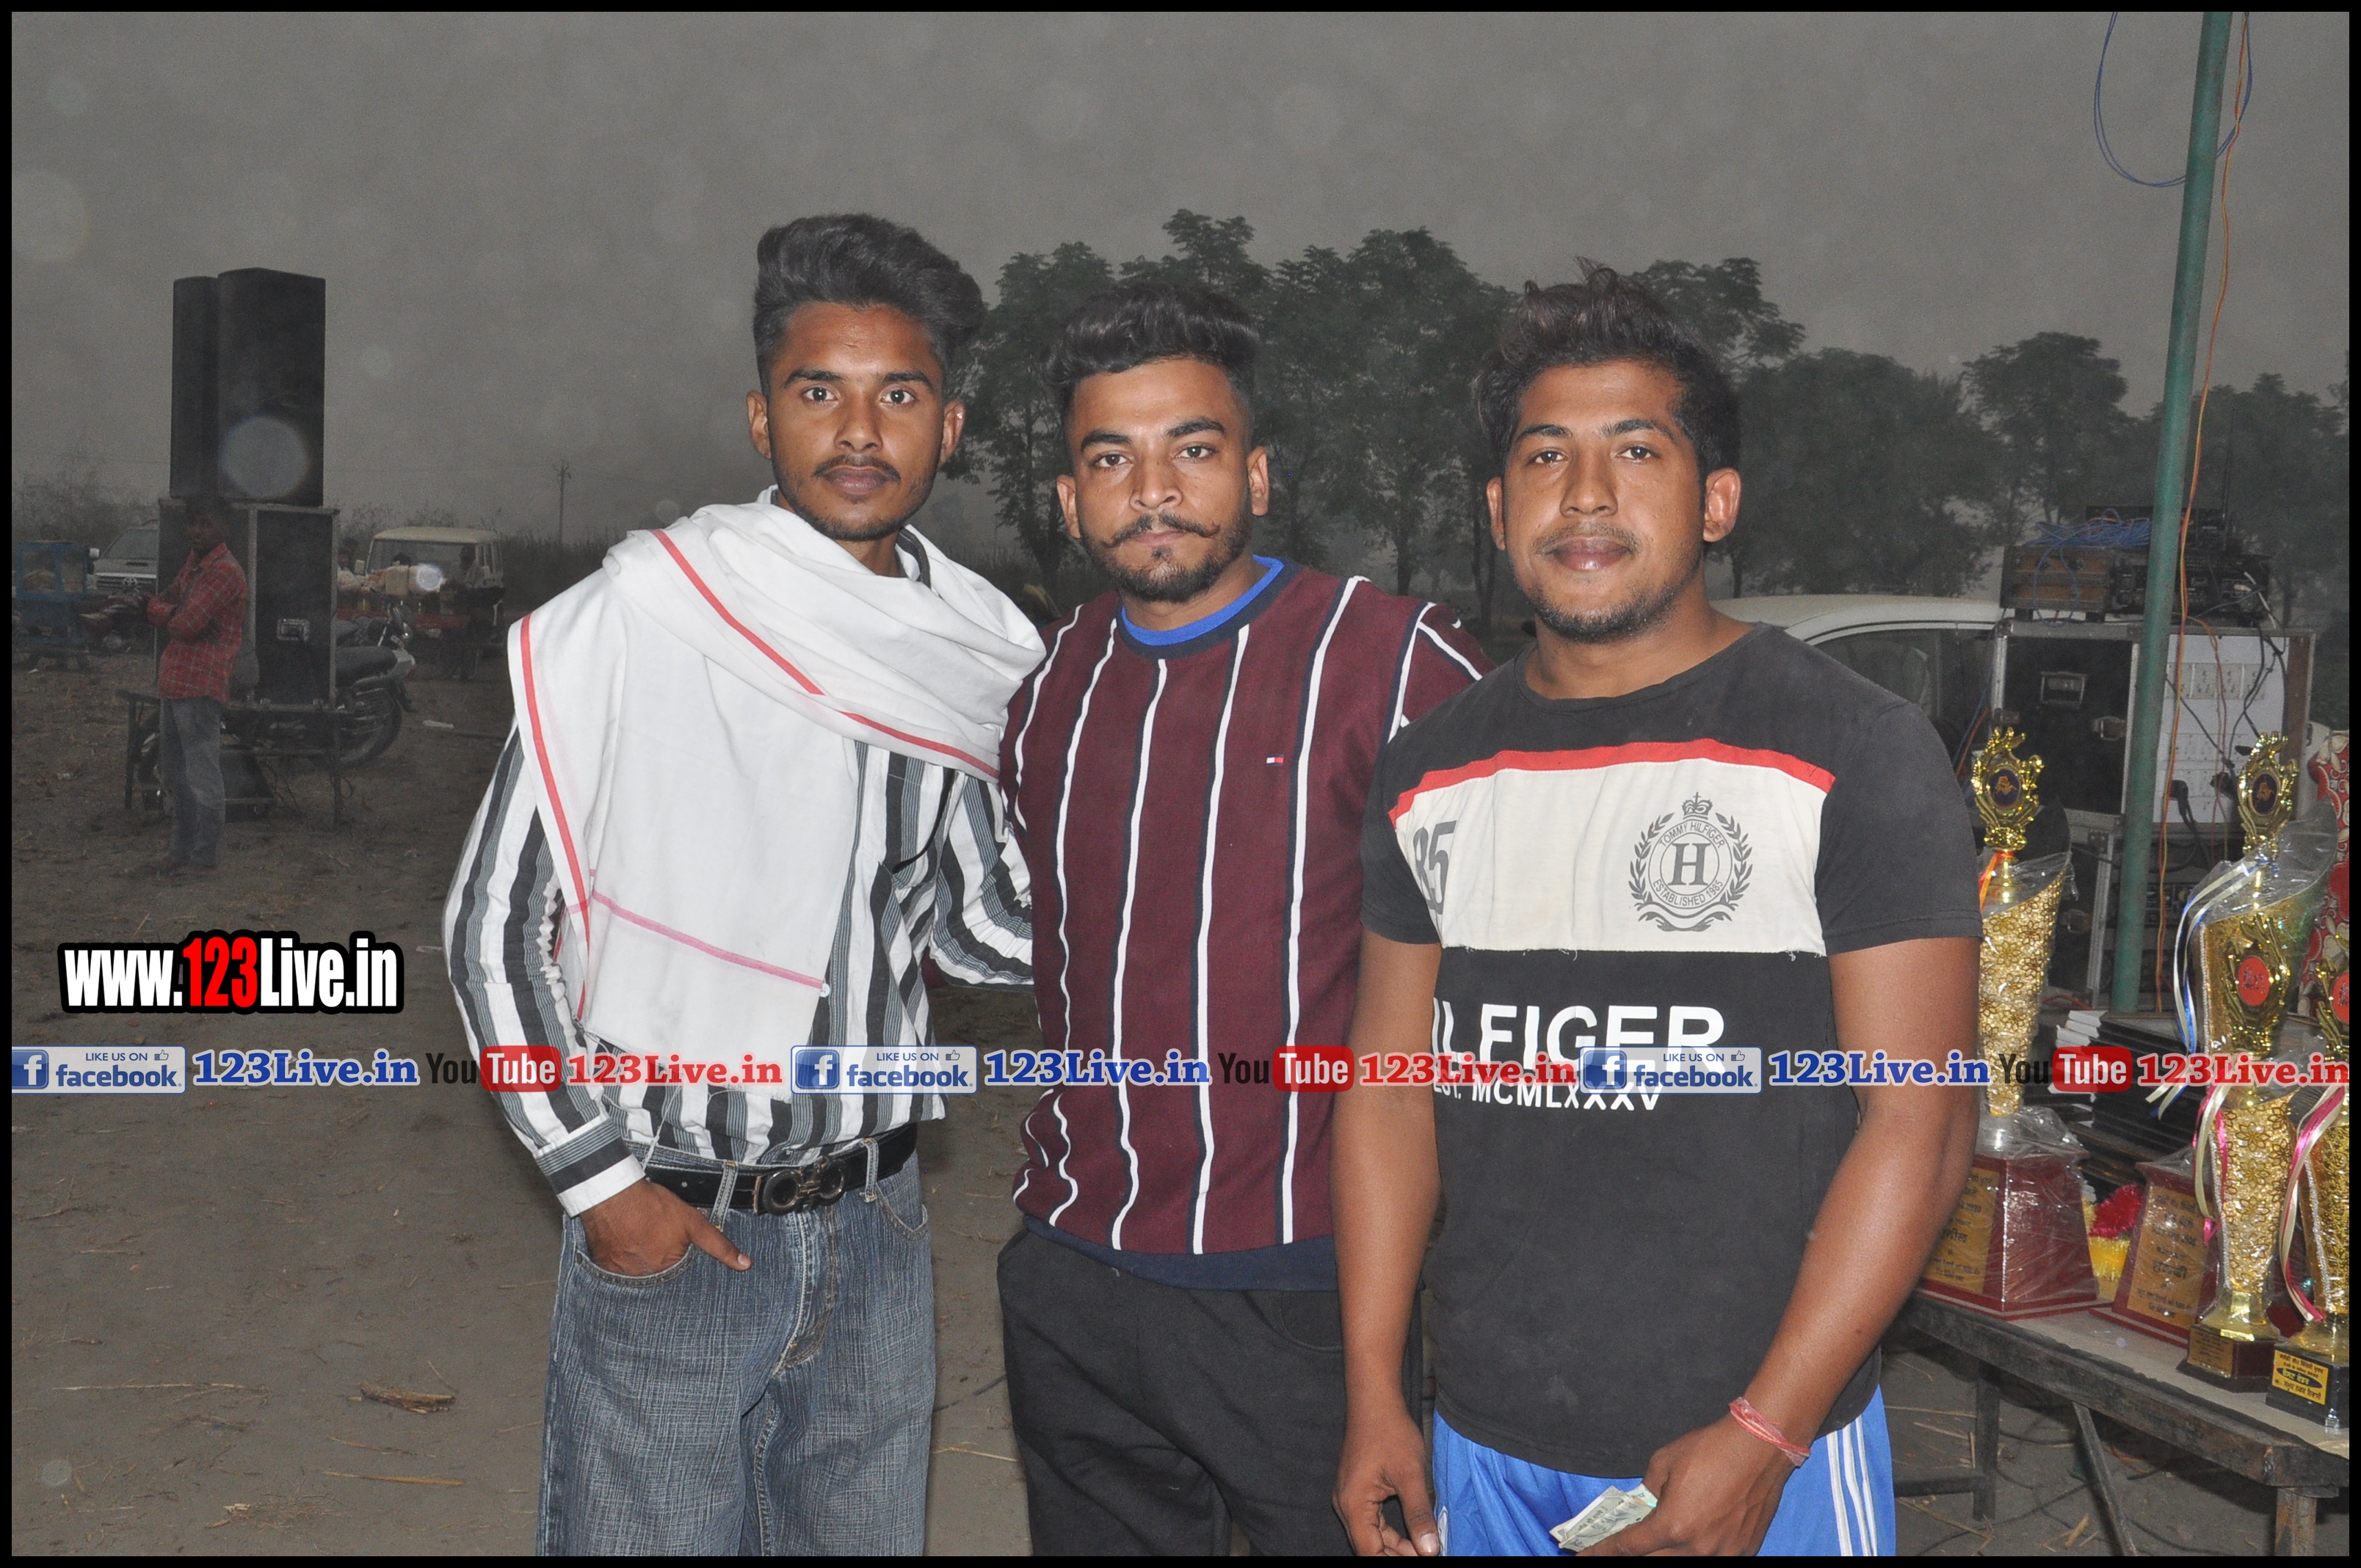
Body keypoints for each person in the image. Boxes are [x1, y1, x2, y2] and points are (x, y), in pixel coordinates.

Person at [1332, 266, 1982, 1557]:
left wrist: (1768, 1433)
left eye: (1636, 451)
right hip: (1484, 1444)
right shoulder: (1429, 771)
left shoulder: (1854, 748)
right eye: (1544, 457)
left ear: (1716, 501)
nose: (1585, 495)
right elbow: (1388, 1095)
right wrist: (1373, 1395)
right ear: (1497, 507)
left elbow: (1923, 1120)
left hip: (1755, 1457)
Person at [443, 214, 1042, 1556]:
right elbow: (494, 929)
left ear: (950, 427)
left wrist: (1200, 891)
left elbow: (976, 929)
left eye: (900, 395)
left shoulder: (968, 654)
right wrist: (605, 1192)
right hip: (676, 1217)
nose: (859, 431)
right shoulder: (645, 615)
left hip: (877, 1226)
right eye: (818, 392)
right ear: (763, 418)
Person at [996, 279, 1489, 1555]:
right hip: (1071, 1275)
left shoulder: (1394, 661)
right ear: (1069, 498)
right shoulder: (1050, 687)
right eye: (1112, 458)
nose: (1153, 489)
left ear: (1257, 474)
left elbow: (1516, 976)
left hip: (1304, 1287)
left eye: (1194, 449)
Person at [134, 501, 247, 882]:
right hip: (176, 682)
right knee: (175, 776)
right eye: (193, 524)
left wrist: (161, 611)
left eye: (207, 523)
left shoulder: (225, 572)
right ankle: (178, 855)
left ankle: (204, 860)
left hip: (201, 686)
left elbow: (185, 623)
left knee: (202, 778)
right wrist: (167, 610)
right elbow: (169, 602)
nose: (197, 531)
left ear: (225, 527)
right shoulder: (194, 565)